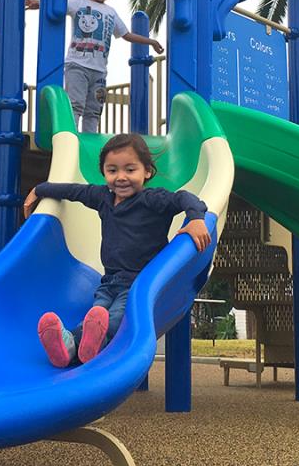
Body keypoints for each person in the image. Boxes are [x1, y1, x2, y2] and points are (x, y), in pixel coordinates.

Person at [23, 132, 211, 367]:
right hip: (109, 282)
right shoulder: (103, 198)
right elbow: (72, 191)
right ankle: (69, 345)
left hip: (139, 284)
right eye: (112, 170)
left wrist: (195, 218)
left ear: (147, 172)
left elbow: (184, 198)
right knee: (95, 316)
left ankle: (92, 348)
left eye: (130, 170)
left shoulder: (153, 200)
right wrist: (40, 190)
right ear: (104, 173)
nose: (121, 177)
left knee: (113, 320)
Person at [26, 0, 164, 132]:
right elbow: (58, 6)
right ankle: (71, 135)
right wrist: (37, 3)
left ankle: (89, 138)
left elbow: (126, 34)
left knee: (94, 109)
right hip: (77, 66)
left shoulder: (111, 12)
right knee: (75, 103)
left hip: (99, 71)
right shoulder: (78, 3)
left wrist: (151, 41)